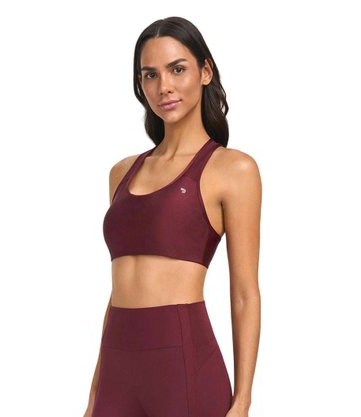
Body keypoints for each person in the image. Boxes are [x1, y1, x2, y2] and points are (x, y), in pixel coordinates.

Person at [84, 16, 261, 417]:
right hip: (117, 368)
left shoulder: (232, 169)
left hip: (182, 366)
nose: (163, 86)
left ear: (205, 71)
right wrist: (95, 392)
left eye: (177, 69)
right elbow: (119, 290)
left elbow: (244, 294)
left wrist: (243, 401)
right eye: (150, 74)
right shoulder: (121, 173)